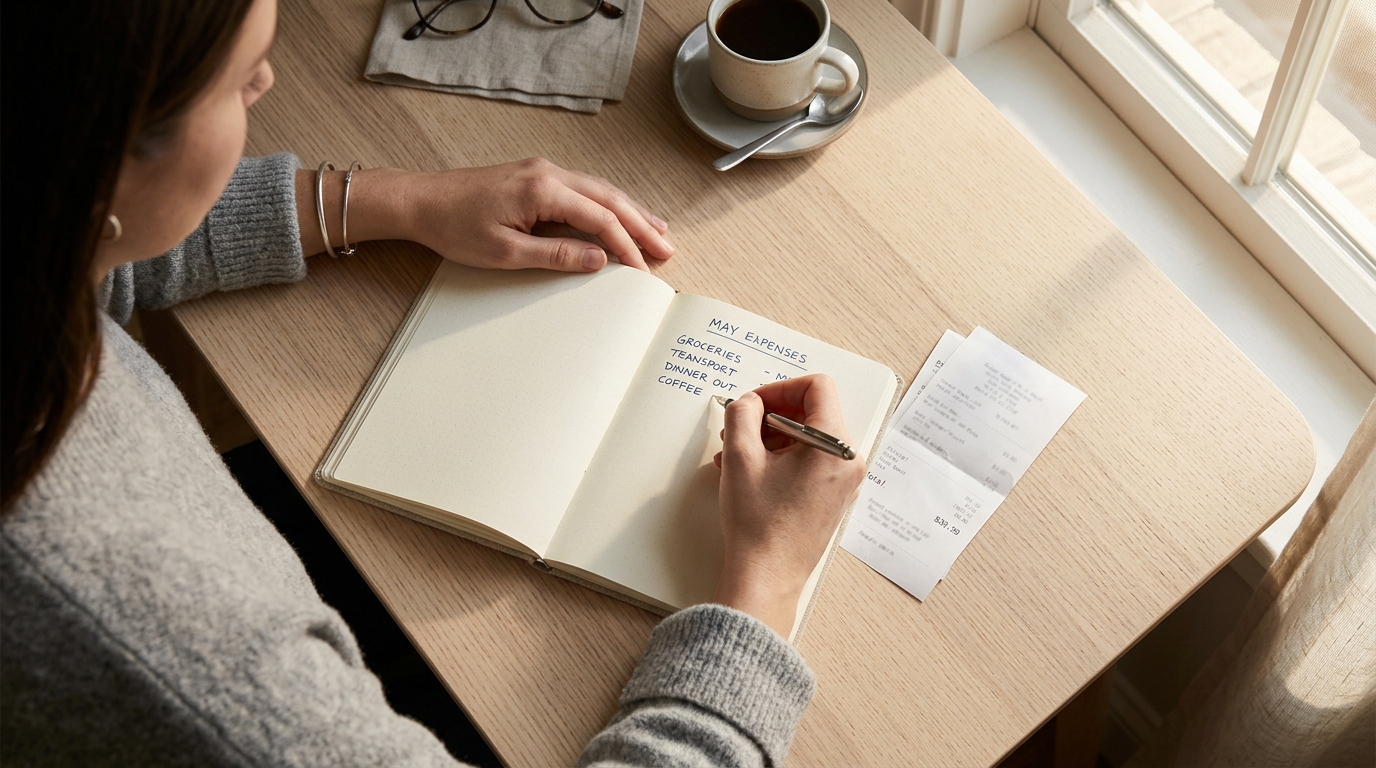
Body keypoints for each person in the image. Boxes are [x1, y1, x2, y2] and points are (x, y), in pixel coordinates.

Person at [0, 0, 866, 764]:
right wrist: (761, 593)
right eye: (234, 85)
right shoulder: (162, 646)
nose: (268, 81)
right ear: (101, 150)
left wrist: (388, 201)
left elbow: (87, 248)